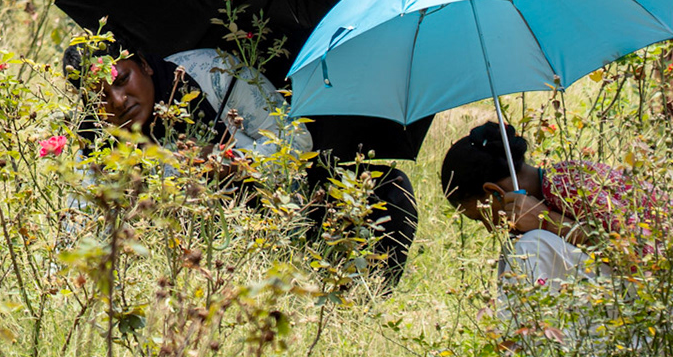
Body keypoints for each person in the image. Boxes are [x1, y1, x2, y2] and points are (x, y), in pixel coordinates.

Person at [68, 43, 418, 283]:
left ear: (144, 65)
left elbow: (295, 141)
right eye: (100, 96)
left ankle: (361, 302)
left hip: (287, 213)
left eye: (121, 80)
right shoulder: (94, 143)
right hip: (190, 262)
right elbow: (78, 235)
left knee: (390, 191)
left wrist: (232, 162)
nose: (118, 101)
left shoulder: (213, 72)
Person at [438, 121, 673, 292]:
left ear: (493, 193)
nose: (489, 229)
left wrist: (546, 221)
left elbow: (640, 254)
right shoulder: (554, 187)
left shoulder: (566, 184)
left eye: (481, 217)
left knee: (531, 248)